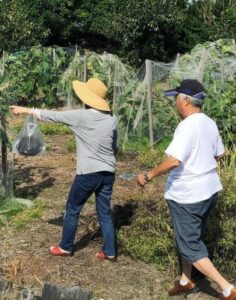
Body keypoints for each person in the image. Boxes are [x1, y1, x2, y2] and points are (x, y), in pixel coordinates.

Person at [137, 79, 236, 300]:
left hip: (188, 196)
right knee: (191, 236)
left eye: (176, 98)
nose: (175, 103)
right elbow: (220, 154)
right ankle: (186, 279)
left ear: (185, 100)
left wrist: (148, 175)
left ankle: (227, 288)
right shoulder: (209, 122)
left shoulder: (187, 126)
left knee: (190, 244)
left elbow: (174, 161)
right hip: (209, 191)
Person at [10, 77, 119, 261]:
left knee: (73, 208)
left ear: (87, 99)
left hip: (88, 173)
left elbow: (53, 116)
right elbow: (115, 147)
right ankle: (110, 251)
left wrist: (25, 110)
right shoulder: (112, 119)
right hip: (108, 173)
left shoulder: (81, 116)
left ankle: (66, 246)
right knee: (105, 213)